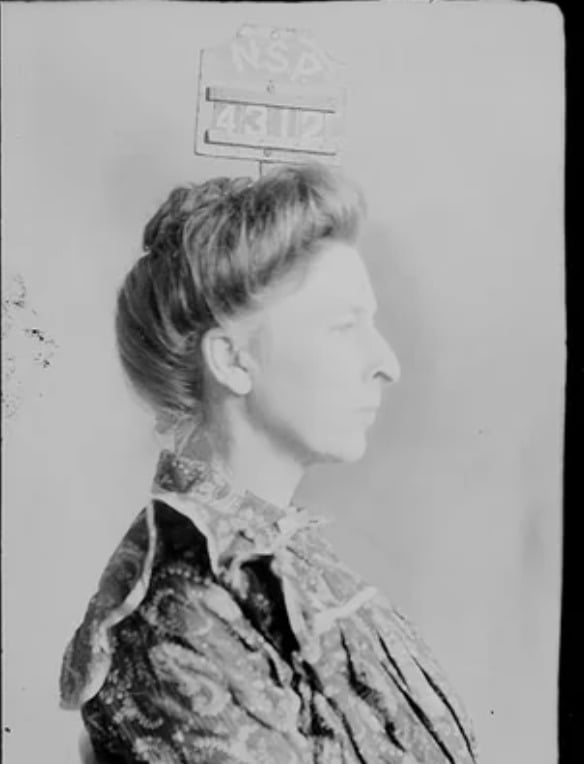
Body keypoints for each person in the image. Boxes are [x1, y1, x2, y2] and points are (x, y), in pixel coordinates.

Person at [59, 164, 479, 763]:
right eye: (342, 327)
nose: (386, 362)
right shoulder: (183, 612)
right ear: (231, 360)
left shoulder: (294, 561)